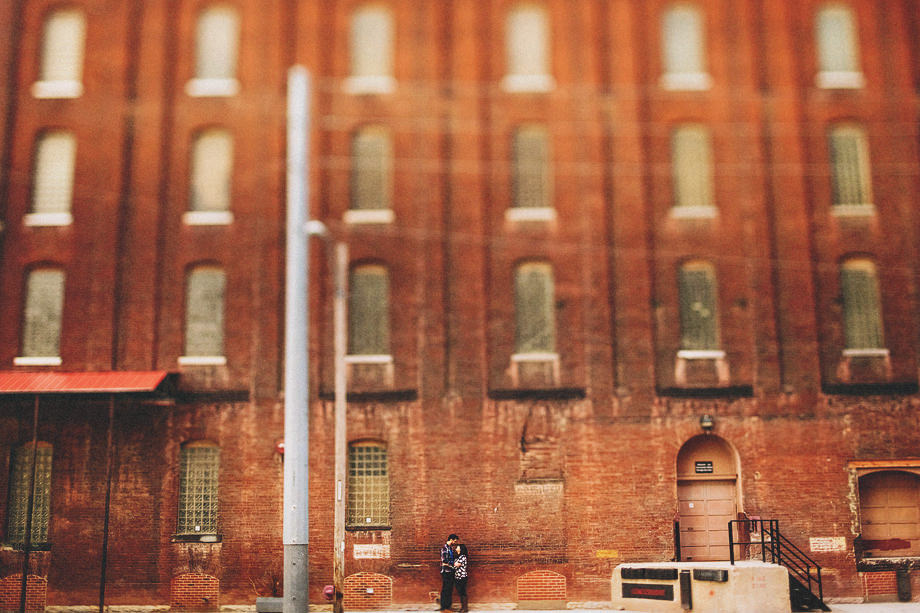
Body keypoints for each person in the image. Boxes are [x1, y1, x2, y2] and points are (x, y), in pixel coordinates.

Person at [438, 534, 459, 611]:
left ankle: (448, 606)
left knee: (450, 589)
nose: (455, 543)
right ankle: (444, 606)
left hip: (450, 571)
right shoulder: (445, 548)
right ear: (451, 539)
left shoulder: (450, 548)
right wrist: (454, 564)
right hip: (446, 572)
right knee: (446, 589)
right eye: (455, 541)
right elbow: (444, 561)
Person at [453, 544, 469, 613]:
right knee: (460, 592)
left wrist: (452, 564)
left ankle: (464, 608)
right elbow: (454, 565)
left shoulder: (463, 557)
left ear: (461, 549)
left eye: (457, 547)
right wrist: (454, 564)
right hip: (457, 577)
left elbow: (456, 565)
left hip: (462, 577)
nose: (456, 548)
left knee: (463, 592)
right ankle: (463, 607)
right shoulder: (458, 557)